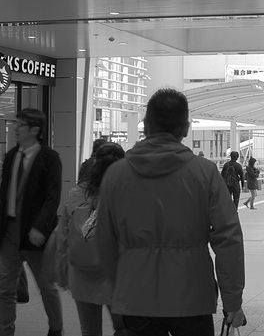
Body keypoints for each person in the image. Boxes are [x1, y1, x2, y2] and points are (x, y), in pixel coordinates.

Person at [97, 88, 246, 335]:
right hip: (192, 295)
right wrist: (232, 302)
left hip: (136, 294)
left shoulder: (116, 175)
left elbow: (105, 240)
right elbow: (228, 238)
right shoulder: (204, 173)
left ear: (146, 125)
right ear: (185, 128)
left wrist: (118, 291)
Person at [0, 108, 64, 336]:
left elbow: (53, 196)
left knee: (46, 286)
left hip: (35, 234)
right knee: (4, 288)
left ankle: (56, 329)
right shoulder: (10, 157)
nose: (15, 128)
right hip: (9, 233)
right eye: (15, 124)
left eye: (21, 124)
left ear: (35, 130)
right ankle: (5, 331)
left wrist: (39, 226)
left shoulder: (50, 158)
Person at [61, 142, 127, 336]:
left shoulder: (75, 194)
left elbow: (71, 232)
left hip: (83, 270)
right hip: (117, 272)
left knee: (89, 330)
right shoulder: (126, 193)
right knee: (124, 327)